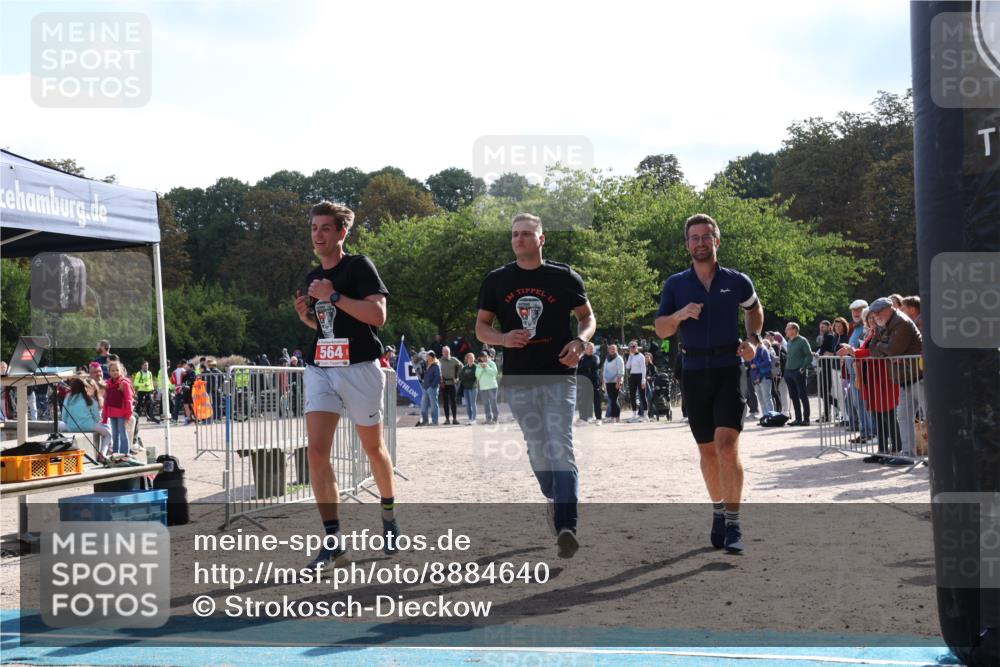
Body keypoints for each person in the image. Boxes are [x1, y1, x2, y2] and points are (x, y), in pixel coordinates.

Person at [476, 212, 596, 559]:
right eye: (515, 234)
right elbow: (481, 327)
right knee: (538, 448)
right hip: (519, 378)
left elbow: (587, 317)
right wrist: (502, 338)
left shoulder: (564, 276)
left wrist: (581, 342)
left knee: (561, 446)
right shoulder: (497, 280)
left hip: (560, 373)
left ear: (542, 239)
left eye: (527, 234)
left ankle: (567, 526)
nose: (520, 239)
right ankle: (553, 499)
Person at [293, 200, 399, 567]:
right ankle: (333, 539)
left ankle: (388, 514)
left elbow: (377, 316)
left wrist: (333, 296)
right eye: (313, 228)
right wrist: (308, 317)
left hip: (360, 368)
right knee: (316, 452)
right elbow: (327, 326)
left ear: (341, 232)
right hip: (321, 367)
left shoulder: (359, 267)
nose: (317, 235)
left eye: (325, 228)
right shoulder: (310, 277)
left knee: (373, 447)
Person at [654, 213, 763, 554]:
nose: (700, 242)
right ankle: (718, 508)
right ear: (687, 244)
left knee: (727, 445)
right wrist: (679, 315)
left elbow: (754, 309)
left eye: (706, 237)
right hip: (693, 369)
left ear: (717, 241)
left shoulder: (736, 280)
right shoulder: (675, 285)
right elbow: (661, 329)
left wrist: (754, 340)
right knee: (707, 451)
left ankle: (733, 521)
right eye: (694, 237)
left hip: (729, 367)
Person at [62, 376, 112, 461]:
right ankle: (102, 454)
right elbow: (97, 418)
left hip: (71, 427)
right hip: (88, 426)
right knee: (108, 433)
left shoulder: (68, 398)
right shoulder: (89, 399)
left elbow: (64, 418)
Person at [102, 360, 134, 456]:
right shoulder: (108, 383)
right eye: (112, 370)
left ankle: (125, 454)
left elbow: (129, 400)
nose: (115, 372)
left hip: (121, 413)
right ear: (109, 372)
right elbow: (106, 400)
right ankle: (115, 453)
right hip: (112, 413)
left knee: (122, 433)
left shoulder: (124, 383)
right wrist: (105, 416)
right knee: (115, 434)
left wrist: (128, 414)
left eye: (117, 370)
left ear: (121, 371)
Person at [576, 342, 602, 424]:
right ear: (585, 349)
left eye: (592, 348)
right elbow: (578, 369)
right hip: (584, 384)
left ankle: (598, 419)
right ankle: (584, 419)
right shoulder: (582, 358)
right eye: (590, 348)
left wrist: (583, 365)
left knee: (597, 401)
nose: (592, 349)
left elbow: (594, 364)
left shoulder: (596, 357)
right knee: (584, 401)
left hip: (594, 383)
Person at [625, 341, 648, 422]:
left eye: (634, 346)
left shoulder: (641, 356)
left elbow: (643, 368)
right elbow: (627, 367)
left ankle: (645, 414)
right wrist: (630, 357)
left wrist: (643, 380)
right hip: (633, 376)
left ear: (637, 347)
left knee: (642, 395)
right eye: (631, 347)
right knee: (632, 395)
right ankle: (634, 414)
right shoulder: (631, 356)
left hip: (640, 376)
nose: (632, 348)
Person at [438, 346, 462, 425]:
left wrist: (457, 376)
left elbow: (461, 366)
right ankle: (447, 419)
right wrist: (439, 379)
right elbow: (436, 370)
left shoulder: (454, 360)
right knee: (445, 403)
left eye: (447, 352)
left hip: (452, 383)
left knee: (453, 402)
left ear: (450, 352)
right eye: (445, 352)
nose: (446, 353)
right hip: (444, 384)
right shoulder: (439, 361)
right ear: (442, 352)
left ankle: (455, 419)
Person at [602, 344, 625, 423]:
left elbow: (621, 371)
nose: (612, 350)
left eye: (614, 349)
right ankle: (612, 417)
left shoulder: (619, 358)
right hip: (608, 381)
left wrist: (619, 382)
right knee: (611, 400)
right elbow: (604, 370)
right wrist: (604, 381)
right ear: (608, 350)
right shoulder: (607, 358)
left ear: (616, 350)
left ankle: (616, 417)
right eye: (611, 349)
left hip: (616, 381)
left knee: (614, 400)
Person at [417, 351, 441, 426]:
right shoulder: (427, 365)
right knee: (424, 405)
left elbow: (438, 377)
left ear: (432, 357)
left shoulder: (436, 365)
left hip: (432, 388)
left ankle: (435, 421)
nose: (426, 357)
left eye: (428, 356)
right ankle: (425, 421)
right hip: (425, 388)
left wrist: (432, 386)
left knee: (434, 406)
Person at [475, 351, 499, 424]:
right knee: (486, 404)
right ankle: (488, 419)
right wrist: (482, 368)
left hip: (492, 386)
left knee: (493, 403)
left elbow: (494, 373)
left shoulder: (492, 363)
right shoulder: (478, 365)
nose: (484, 358)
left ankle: (495, 419)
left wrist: (487, 367)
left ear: (488, 356)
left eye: (485, 356)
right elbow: (477, 376)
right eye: (482, 357)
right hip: (483, 388)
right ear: (480, 358)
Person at [459, 352, 479, 425]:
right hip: (466, 388)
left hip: (473, 388)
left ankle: (474, 419)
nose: (470, 359)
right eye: (469, 358)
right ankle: (470, 418)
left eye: (472, 358)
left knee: (473, 404)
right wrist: (467, 376)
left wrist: (466, 376)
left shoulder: (476, 367)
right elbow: (460, 376)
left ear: (474, 358)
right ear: (467, 359)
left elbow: (473, 376)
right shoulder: (464, 367)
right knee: (468, 404)